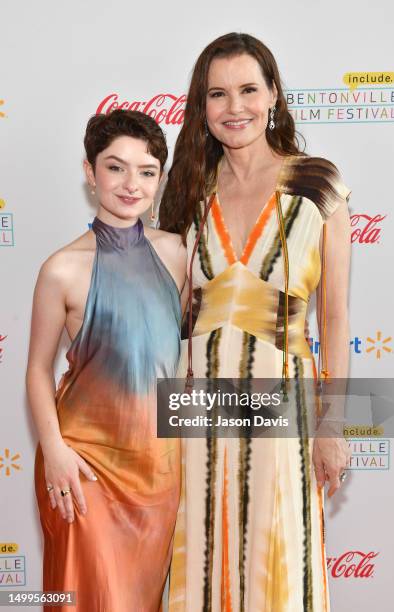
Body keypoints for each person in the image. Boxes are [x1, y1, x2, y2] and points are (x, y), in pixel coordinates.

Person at [159, 33, 351, 611]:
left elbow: (337, 315)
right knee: (198, 557)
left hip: (283, 404)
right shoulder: (184, 191)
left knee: (280, 557)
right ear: (202, 106)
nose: (234, 107)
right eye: (218, 94)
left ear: (273, 94)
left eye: (248, 89)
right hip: (197, 406)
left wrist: (333, 423)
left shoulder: (318, 185)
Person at [26, 109, 186, 612]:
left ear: (160, 179)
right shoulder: (61, 268)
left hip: (158, 469)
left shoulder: (179, 252)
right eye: (115, 167)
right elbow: (36, 369)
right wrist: (53, 448)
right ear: (90, 172)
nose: (131, 184)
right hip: (84, 466)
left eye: (147, 171)